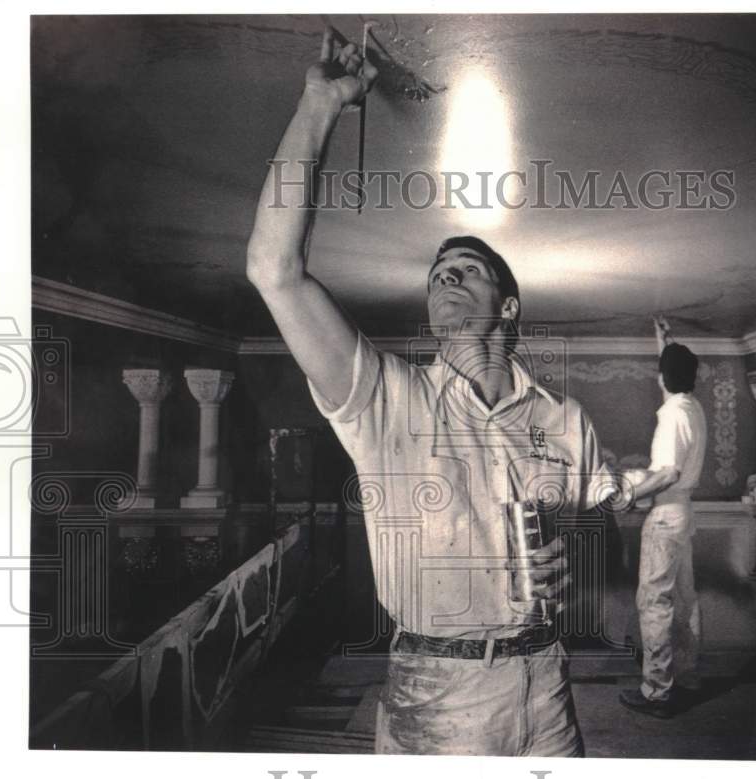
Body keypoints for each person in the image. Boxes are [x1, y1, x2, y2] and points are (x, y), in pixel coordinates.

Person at [246, 28, 618, 756]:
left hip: (548, 683)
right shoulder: (386, 397)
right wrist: (318, 105)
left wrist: (575, 546)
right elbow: (273, 268)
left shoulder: (563, 417)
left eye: (468, 267)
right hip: (436, 692)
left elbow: (598, 514)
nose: (445, 274)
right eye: (437, 271)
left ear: (509, 306)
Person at [618, 318, 707, 718]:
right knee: (684, 601)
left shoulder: (672, 413)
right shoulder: (693, 407)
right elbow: (672, 370)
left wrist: (629, 493)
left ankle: (657, 692)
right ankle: (685, 679)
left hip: (667, 512)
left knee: (654, 602)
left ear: (661, 377)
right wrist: (664, 341)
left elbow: (667, 471)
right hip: (685, 512)